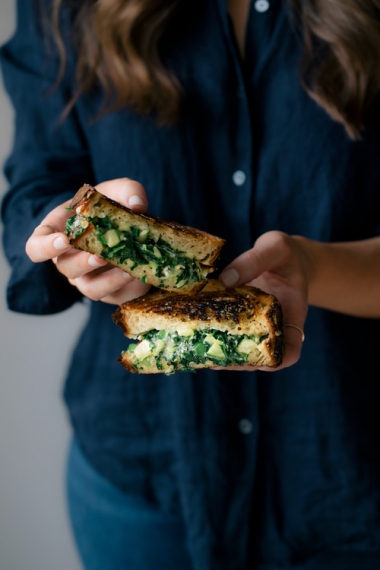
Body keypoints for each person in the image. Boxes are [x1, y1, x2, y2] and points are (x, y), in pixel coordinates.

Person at [2, 0, 380, 568]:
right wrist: (70, 244)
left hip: (348, 474)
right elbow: (37, 180)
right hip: (140, 483)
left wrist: (316, 266)